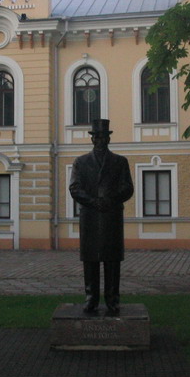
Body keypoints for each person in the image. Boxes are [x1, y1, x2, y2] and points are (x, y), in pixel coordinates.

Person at [69, 119, 134, 315]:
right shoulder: (80, 162)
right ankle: (91, 298)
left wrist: (110, 200)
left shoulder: (120, 162)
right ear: (92, 139)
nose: (99, 140)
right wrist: (93, 201)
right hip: (89, 216)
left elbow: (128, 188)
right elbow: (74, 188)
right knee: (90, 260)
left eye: (103, 136)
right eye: (96, 136)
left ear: (108, 138)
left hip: (111, 216)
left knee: (112, 260)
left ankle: (113, 299)